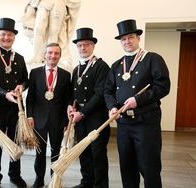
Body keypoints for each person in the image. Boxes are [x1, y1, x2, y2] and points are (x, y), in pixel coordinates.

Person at [104, 19, 171, 188]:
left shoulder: (152, 59)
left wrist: (137, 100)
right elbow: (108, 91)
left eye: (130, 37)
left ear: (138, 38)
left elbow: (163, 86)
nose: (127, 41)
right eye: (123, 39)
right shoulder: (117, 65)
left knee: (149, 167)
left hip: (146, 123)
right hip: (124, 124)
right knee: (127, 167)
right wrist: (112, 107)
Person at [0, 18, 29, 188]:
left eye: (10, 34)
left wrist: (21, 86)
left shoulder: (20, 58)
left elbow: (26, 80)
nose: (6, 37)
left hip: (16, 109)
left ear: (14, 37)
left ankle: (15, 175)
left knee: (15, 142)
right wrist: (4, 93)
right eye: (3, 34)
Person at [67, 28, 110, 188]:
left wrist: (82, 113)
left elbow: (99, 95)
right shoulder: (76, 69)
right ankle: (87, 182)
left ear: (93, 46)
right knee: (83, 151)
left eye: (86, 45)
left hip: (96, 117)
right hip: (80, 117)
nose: (83, 48)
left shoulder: (101, 66)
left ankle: (100, 185)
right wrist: (70, 106)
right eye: (79, 45)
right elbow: (73, 93)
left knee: (97, 153)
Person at [26, 43, 71, 188]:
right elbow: (30, 97)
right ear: (45, 54)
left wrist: (65, 122)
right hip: (38, 119)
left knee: (56, 152)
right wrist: (30, 116)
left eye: (56, 53)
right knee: (40, 152)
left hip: (57, 120)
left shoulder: (65, 75)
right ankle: (39, 179)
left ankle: (54, 179)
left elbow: (67, 100)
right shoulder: (35, 73)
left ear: (60, 55)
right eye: (50, 53)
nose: (53, 56)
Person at [20, 0, 81, 72]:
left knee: (54, 31)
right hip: (43, 3)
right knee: (38, 29)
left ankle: (51, 58)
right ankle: (37, 56)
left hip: (58, 3)